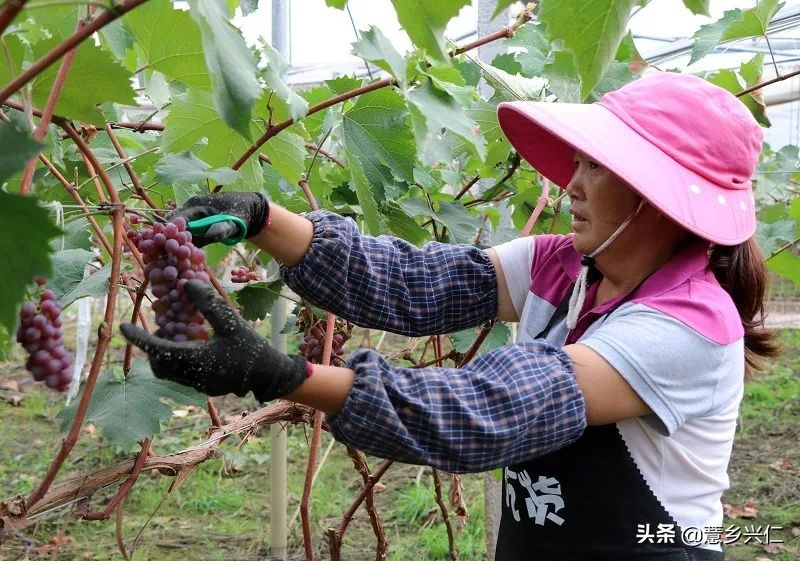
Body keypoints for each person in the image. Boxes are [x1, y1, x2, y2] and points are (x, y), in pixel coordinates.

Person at [121, 72, 779, 560]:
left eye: (597, 168)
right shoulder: (563, 266)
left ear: (658, 197)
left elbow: (498, 407)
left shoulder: (687, 324)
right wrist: (263, 219)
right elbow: (418, 282)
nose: (571, 184)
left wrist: (281, 372)